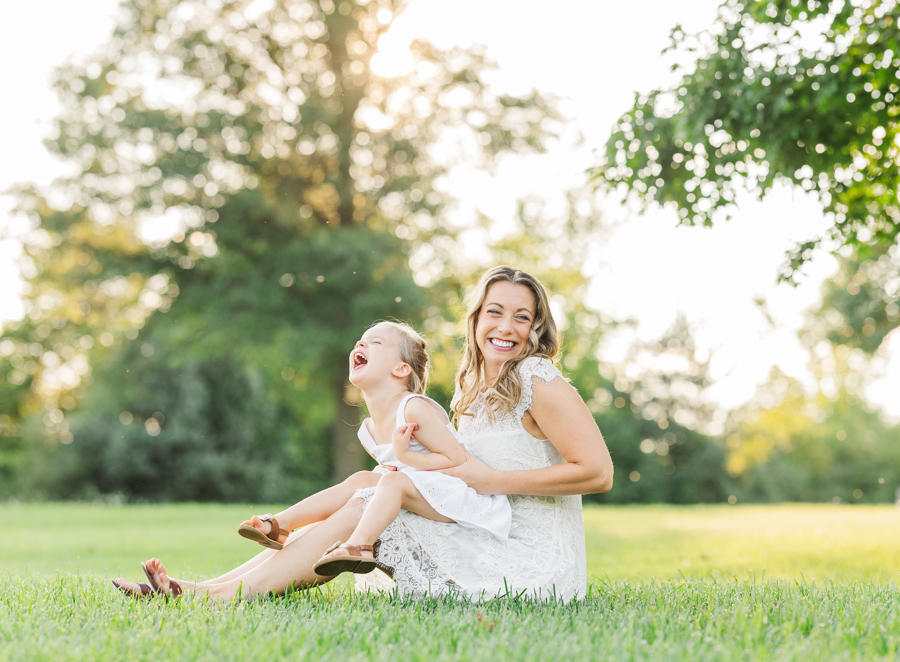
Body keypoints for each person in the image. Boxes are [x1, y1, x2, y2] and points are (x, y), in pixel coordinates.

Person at [116, 266, 612, 602]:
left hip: (533, 560)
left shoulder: (536, 378)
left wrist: (490, 480)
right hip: (487, 527)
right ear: (476, 320)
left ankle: (214, 597)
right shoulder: (474, 391)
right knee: (368, 490)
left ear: (536, 327)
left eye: (521, 317)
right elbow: (456, 473)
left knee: (368, 501)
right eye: (494, 312)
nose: (506, 327)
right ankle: (207, 590)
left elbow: (597, 472)